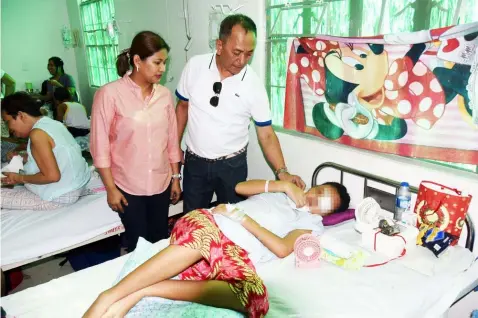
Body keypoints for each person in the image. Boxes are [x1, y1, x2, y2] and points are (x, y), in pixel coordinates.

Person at [83, 179, 350, 318]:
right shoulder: (283, 193)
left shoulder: (311, 224)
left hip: (231, 251)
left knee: (255, 297)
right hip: (210, 224)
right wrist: (283, 185)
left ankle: (144, 290)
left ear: (328, 212)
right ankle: (108, 297)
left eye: (326, 201)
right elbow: (239, 187)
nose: (318, 198)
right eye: (321, 190)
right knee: (204, 238)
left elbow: (281, 248)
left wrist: (245, 220)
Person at [175, 14, 305, 214]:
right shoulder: (195, 66)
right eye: (236, 52)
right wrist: (174, 148)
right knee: (193, 221)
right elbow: (182, 107)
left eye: (248, 54)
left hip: (232, 166)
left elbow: (266, 133)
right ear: (219, 46)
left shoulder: (253, 84)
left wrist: (282, 172)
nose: (242, 60)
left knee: (235, 222)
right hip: (196, 164)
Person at [90, 31, 182, 252]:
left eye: (165, 63)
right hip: (128, 186)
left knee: (160, 238)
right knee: (137, 243)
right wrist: (111, 188)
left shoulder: (165, 96)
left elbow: (171, 140)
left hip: (161, 183)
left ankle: (159, 282)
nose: (162, 69)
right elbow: (99, 146)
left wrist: (176, 178)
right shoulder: (109, 94)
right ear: (137, 61)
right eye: (157, 62)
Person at [1, 92, 90, 210]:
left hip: (61, 196)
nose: (9, 129)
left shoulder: (37, 134)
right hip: (77, 185)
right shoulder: (53, 124)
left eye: (8, 122)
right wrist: (24, 157)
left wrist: (18, 178)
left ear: (21, 115)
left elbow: (52, 176)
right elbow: (56, 155)